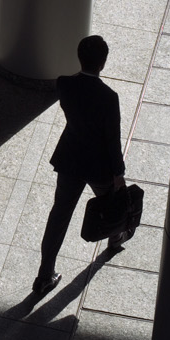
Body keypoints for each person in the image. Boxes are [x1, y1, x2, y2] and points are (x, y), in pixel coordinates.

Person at [34, 35, 130, 295]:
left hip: (71, 158)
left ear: (79, 57)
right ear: (104, 63)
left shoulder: (64, 85)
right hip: (99, 165)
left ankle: (44, 276)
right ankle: (114, 237)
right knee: (112, 203)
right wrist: (118, 172)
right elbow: (112, 138)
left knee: (59, 216)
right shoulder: (109, 97)